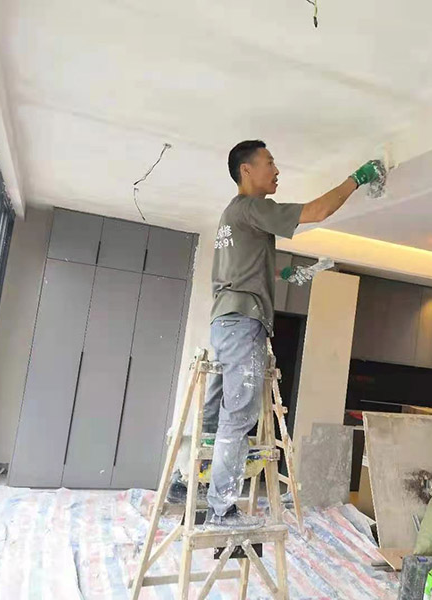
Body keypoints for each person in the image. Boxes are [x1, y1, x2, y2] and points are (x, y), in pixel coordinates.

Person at [169, 140, 384, 530]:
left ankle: (187, 482)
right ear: (246, 170)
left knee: (216, 413)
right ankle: (221, 511)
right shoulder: (251, 207)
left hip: (225, 321)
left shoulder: (234, 215)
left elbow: (243, 268)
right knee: (240, 414)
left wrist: (285, 274)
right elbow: (317, 211)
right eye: (269, 163)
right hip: (242, 322)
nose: (277, 170)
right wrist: (358, 178)